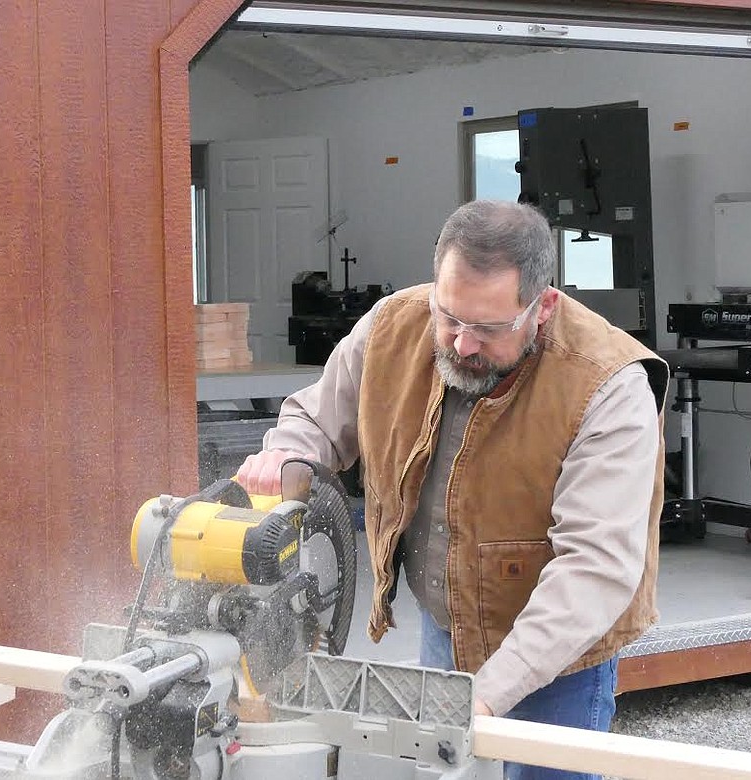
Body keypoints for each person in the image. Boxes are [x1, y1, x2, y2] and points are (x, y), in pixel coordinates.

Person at [237, 200, 668, 780]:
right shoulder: (395, 325)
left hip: (557, 657)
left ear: (542, 307)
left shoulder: (608, 385)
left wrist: (484, 697)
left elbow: (594, 568)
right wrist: (285, 455)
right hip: (446, 627)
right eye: (450, 317)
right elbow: (315, 419)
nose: (461, 344)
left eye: (488, 328)